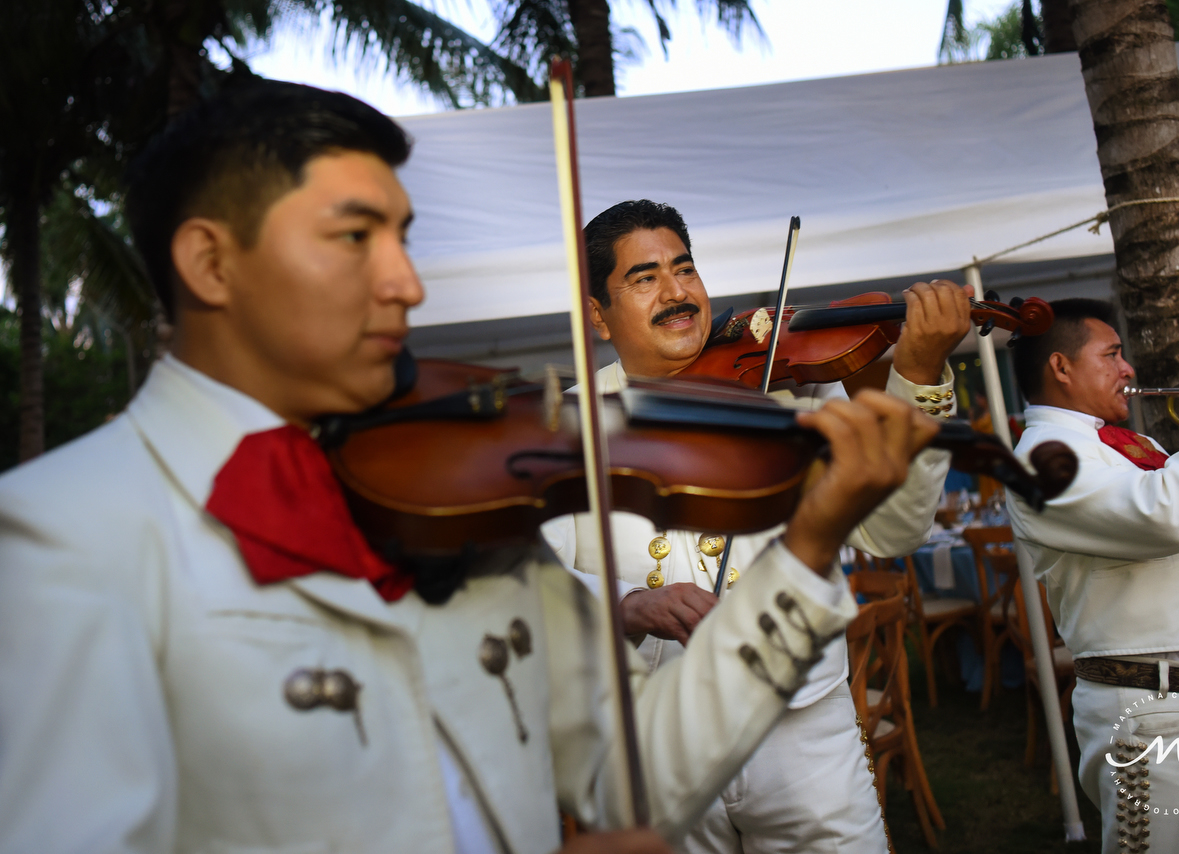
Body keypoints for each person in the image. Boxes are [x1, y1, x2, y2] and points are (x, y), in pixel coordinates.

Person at [0, 83, 936, 854]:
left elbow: (636, 759)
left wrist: (809, 545)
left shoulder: (452, 501)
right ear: (211, 263)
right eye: (354, 238)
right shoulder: (54, 538)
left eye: (404, 239)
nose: (407, 282)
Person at [541, 200, 971, 854]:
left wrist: (917, 379)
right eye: (645, 278)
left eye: (684, 269)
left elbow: (894, 532)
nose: (677, 292)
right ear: (598, 316)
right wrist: (627, 604)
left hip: (802, 733)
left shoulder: (790, 397)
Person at [1005, 298, 1179, 854]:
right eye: (1111, 354)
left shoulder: (1121, 445)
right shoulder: (1043, 457)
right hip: (1148, 716)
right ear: (1061, 367)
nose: (1128, 368)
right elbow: (1167, 516)